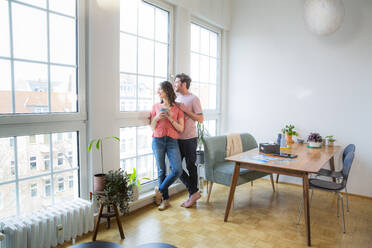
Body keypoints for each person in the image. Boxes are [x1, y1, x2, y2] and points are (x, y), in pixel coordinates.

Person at [150, 81, 185, 211]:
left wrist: (170, 118)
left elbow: (181, 128)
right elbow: (152, 127)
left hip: (172, 141)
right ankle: (165, 200)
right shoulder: (155, 107)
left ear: (167, 90)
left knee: (177, 170)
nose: (158, 92)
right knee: (161, 171)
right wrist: (157, 117)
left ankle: (160, 190)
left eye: (160, 89)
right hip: (157, 140)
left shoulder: (177, 109)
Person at [173, 73, 204, 208]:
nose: (174, 85)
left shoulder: (194, 99)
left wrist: (186, 110)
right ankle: (194, 192)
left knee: (191, 166)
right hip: (176, 139)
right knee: (175, 168)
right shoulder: (175, 98)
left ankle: (192, 196)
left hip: (190, 138)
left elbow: (200, 119)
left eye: (176, 82)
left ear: (184, 84)